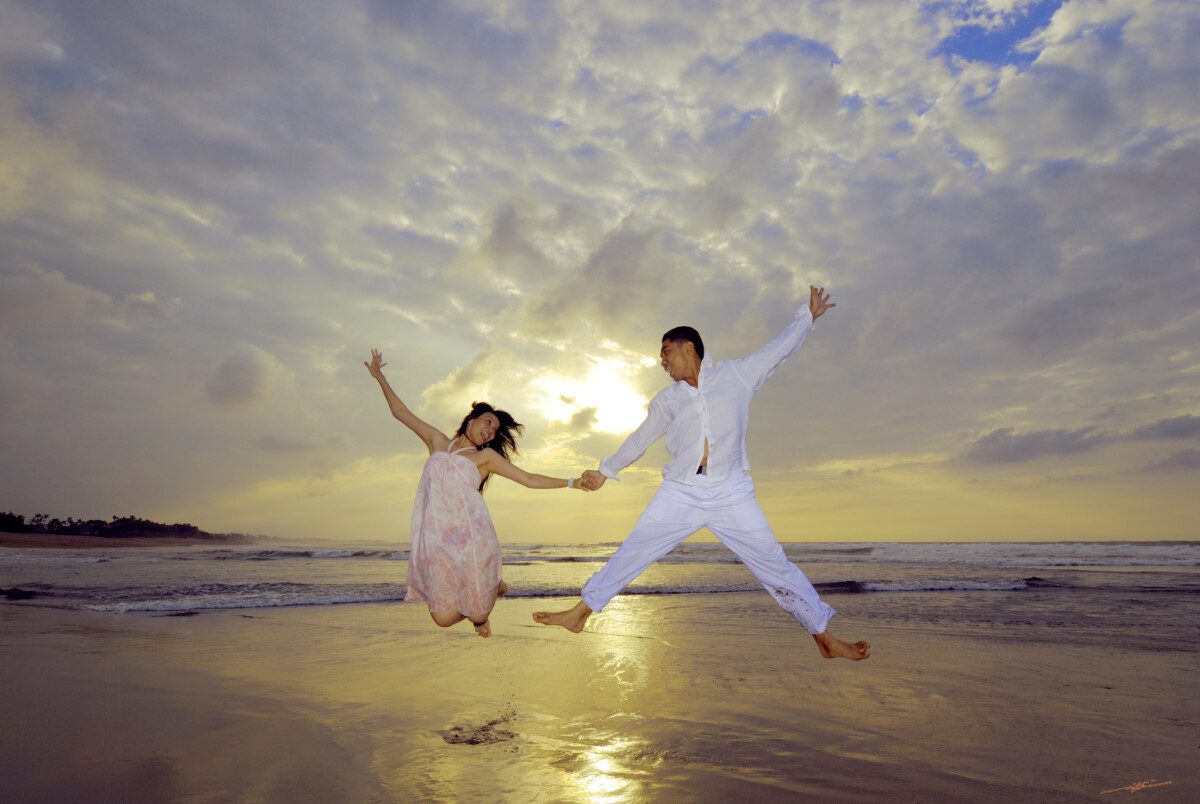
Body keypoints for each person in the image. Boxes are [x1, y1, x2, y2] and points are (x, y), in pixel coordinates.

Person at [533, 287, 870, 660]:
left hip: (731, 491)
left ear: (688, 348)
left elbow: (777, 351)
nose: (662, 362)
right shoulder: (667, 399)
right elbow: (640, 438)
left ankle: (823, 637)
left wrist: (807, 317)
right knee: (634, 551)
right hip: (682, 491)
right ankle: (580, 614)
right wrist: (604, 471)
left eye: (665, 352)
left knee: (774, 564)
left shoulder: (736, 375)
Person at [366, 349, 588, 637]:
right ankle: (492, 588)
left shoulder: (485, 458)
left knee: (478, 614)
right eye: (488, 422)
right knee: (443, 619)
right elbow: (401, 413)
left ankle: (489, 594)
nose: (491, 431)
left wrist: (572, 482)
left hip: (473, 537)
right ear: (470, 419)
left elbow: (528, 479)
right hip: (438, 541)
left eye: (495, 430)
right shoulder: (437, 442)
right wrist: (379, 376)